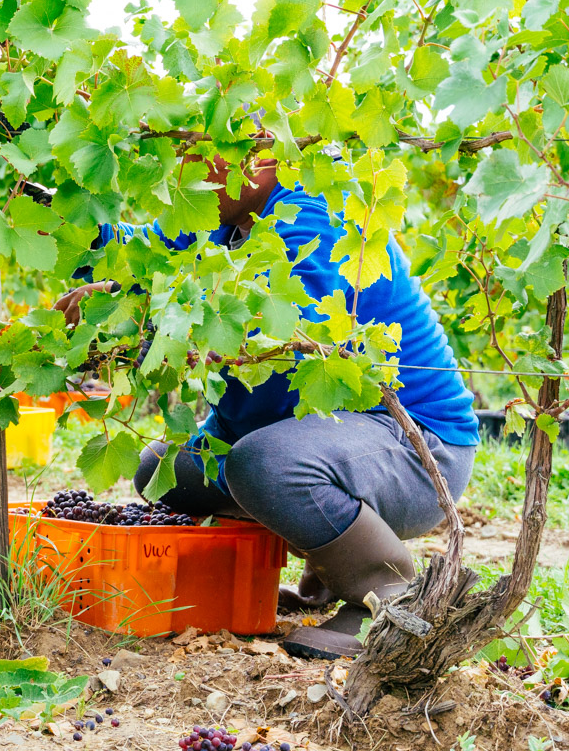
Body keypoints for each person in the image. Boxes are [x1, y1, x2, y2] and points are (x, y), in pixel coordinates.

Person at [52, 154, 478, 660]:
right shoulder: (222, 221)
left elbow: (272, 341)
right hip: (331, 436)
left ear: (263, 157)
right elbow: (144, 251)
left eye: (197, 159)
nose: (182, 173)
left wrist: (148, 320)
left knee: (266, 463)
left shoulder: (316, 214)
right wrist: (75, 220)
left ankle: (387, 598)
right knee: (164, 471)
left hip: (415, 446)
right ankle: (303, 567)